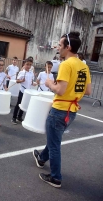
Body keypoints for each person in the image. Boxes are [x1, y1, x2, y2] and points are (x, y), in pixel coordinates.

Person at [33, 32, 91, 188]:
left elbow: (60, 90)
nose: (58, 47)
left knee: (54, 144)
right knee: (54, 139)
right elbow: (88, 91)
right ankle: (41, 158)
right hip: (71, 111)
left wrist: (49, 83)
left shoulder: (66, 64)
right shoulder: (83, 66)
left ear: (68, 47)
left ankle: (55, 177)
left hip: (59, 110)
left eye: (60, 45)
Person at [11, 58, 36, 124]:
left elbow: (31, 81)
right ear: (24, 64)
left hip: (28, 91)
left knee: (24, 104)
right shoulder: (22, 72)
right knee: (18, 104)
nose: (28, 66)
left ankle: (19, 117)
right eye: (27, 64)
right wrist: (21, 81)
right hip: (22, 90)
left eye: (30, 65)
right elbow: (17, 81)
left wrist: (33, 83)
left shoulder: (31, 73)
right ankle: (14, 117)